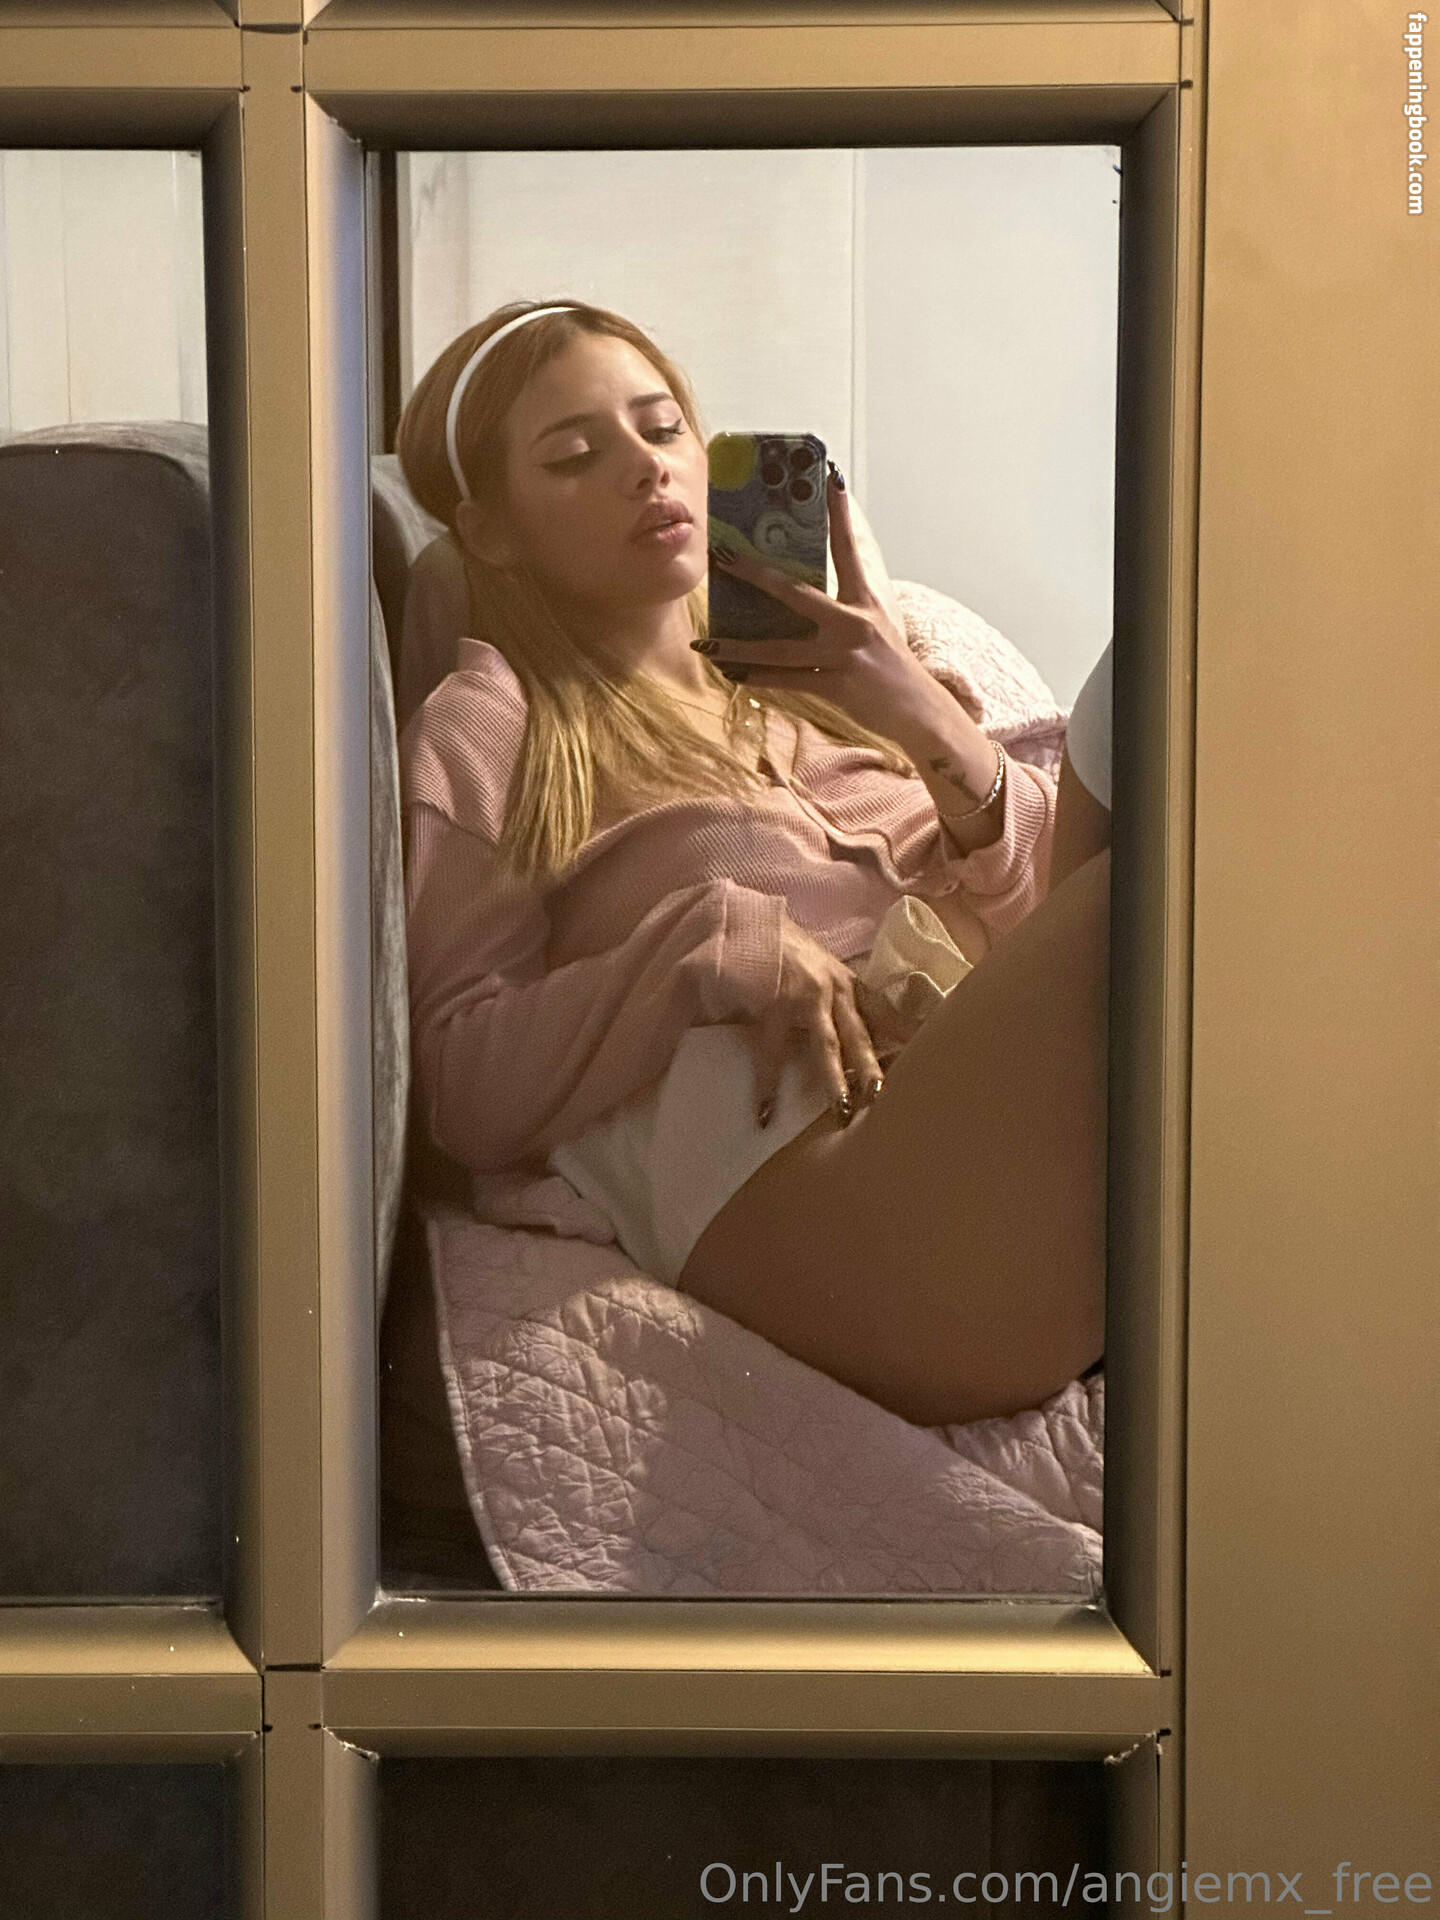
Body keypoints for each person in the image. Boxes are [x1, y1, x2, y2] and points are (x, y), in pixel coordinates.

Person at [397, 299, 1112, 1429]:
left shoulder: (837, 679)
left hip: (1012, 1160)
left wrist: (923, 715)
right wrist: (694, 949)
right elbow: (455, 1090)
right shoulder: (493, 722)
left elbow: (1043, 915)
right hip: (850, 1218)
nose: (647, 467)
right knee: (1157, 866)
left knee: (1182, 833)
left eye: (663, 428)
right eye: (576, 457)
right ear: (491, 534)